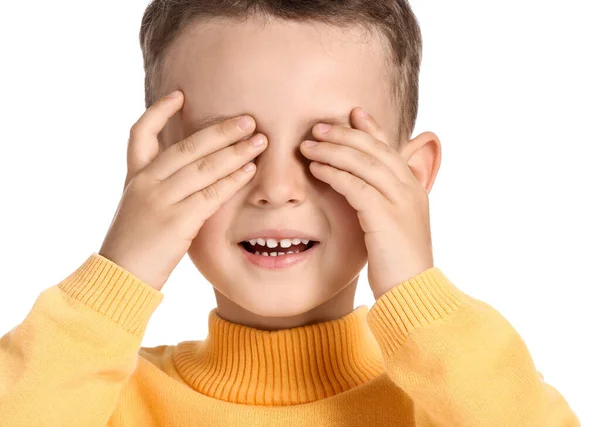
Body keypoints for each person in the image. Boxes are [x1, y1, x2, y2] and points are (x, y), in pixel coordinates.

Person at [0, 1, 581, 425]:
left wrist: (417, 290)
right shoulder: (93, 400)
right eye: (229, 147)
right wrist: (118, 276)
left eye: (326, 148)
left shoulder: (451, 402)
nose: (277, 190)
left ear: (412, 175)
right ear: (154, 169)